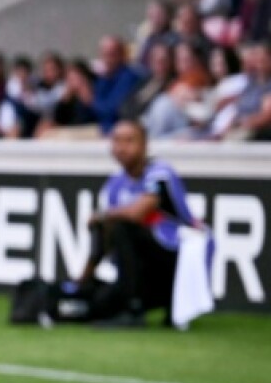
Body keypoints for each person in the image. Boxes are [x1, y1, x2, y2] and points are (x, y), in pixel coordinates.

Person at [69, 120, 200, 326]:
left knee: (122, 226)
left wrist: (103, 215)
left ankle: (133, 309)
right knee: (96, 307)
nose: (121, 147)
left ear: (144, 145)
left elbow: (137, 214)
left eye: (129, 141)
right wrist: (80, 283)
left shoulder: (159, 173)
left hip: (176, 262)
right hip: (141, 270)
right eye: (117, 141)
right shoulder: (114, 184)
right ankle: (126, 299)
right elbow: (102, 236)